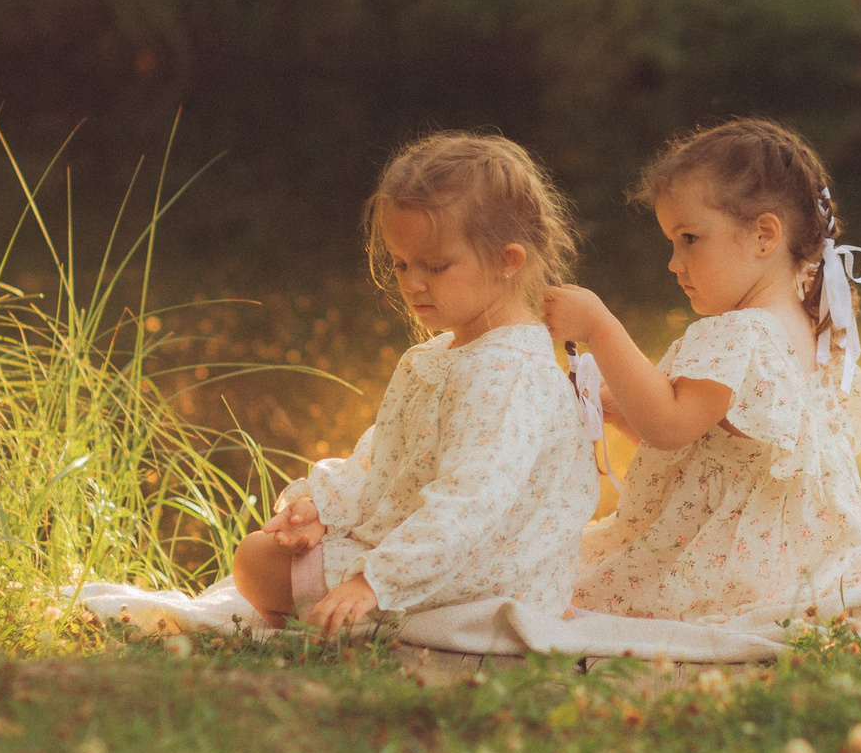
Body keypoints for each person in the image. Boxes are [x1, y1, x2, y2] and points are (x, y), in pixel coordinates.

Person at [231, 133, 599, 634]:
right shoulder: (433, 357)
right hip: (426, 545)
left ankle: (379, 605)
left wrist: (374, 580)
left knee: (256, 564)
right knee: (262, 553)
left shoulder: (510, 374)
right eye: (402, 263)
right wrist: (322, 507)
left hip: (486, 570)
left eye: (436, 265)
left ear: (508, 261)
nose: (412, 283)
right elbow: (382, 459)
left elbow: (471, 504)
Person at [544, 117, 861, 625]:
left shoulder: (739, 334)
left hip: (732, 567)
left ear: (763, 235)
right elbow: (725, 448)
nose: (674, 262)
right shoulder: (812, 325)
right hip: (803, 560)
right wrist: (623, 413)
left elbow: (668, 426)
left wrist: (600, 327)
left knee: (565, 583)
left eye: (689, 239)